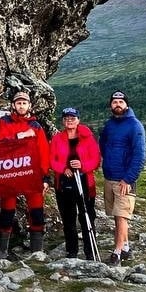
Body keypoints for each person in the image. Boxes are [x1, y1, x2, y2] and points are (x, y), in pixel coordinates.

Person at [0, 90, 51, 259]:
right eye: (18, 103)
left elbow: (43, 152)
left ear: (29, 105)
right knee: (7, 210)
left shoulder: (36, 126)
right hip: (10, 173)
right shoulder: (4, 122)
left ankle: (36, 252)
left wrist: (45, 176)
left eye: (24, 103)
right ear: (13, 105)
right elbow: (1, 144)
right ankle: (2, 252)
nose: (21, 106)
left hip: (32, 173)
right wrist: (21, 135)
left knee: (36, 210)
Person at [98, 90, 146, 266]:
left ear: (126, 104)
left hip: (124, 180)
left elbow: (139, 155)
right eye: (114, 102)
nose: (117, 104)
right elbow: (103, 144)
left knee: (121, 216)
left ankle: (117, 253)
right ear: (110, 105)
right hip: (110, 177)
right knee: (116, 215)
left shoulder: (135, 126)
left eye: (121, 102)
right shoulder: (109, 125)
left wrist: (128, 179)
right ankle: (125, 247)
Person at [49, 106, 101, 259]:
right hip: (64, 183)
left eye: (72, 118)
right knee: (68, 219)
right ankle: (71, 251)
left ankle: (90, 251)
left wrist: (82, 165)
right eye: (66, 119)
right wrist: (63, 168)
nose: (69, 121)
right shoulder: (57, 138)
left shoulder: (87, 137)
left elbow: (96, 159)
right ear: (63, 121)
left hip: (84, 181)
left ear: (78, 120)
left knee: (87, 216)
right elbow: (51, 159)